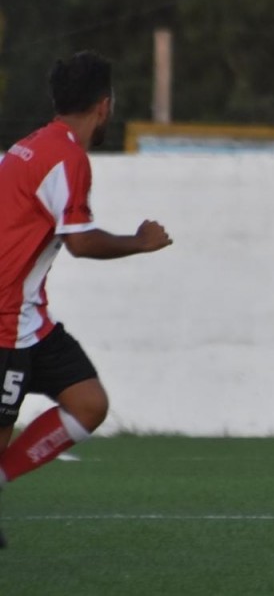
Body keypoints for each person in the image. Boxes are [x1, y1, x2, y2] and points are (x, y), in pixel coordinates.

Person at [0, 51, 173, 548]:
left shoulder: (33, 144)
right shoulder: (67, 157)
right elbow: (79, 242)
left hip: (30, 320)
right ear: (105, 105)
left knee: (88, 403)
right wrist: (140, 242)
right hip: (6, 321)